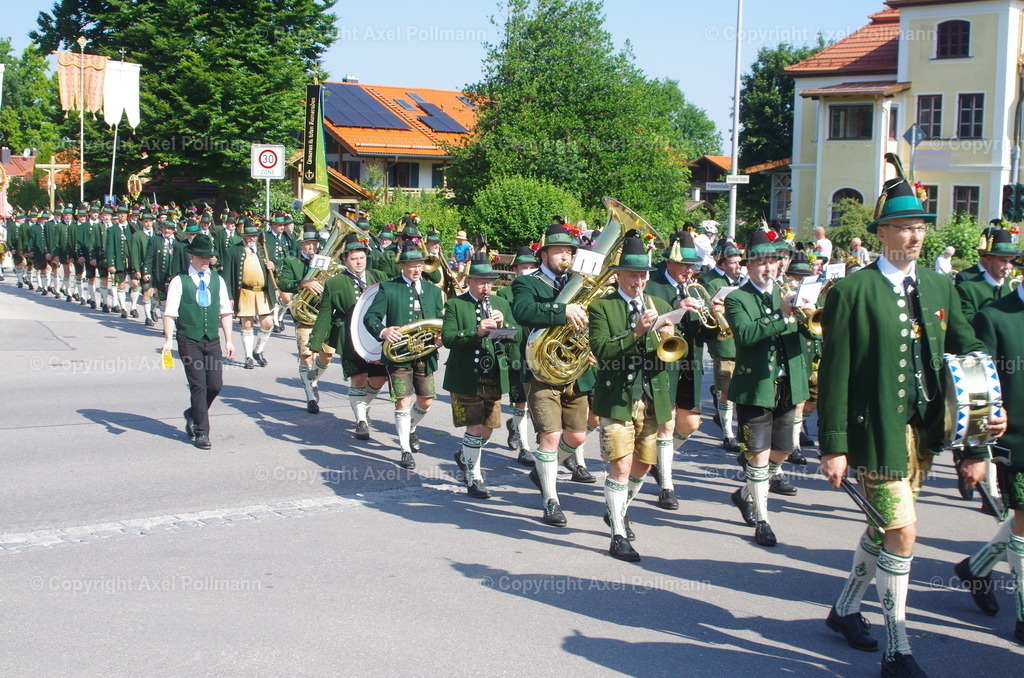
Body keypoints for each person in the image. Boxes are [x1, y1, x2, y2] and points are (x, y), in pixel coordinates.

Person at [817, 174, 1006, 677]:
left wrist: (987, 408)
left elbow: (969, 348)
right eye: (903, 227)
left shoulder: (942, 284)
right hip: (874, 433)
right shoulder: (852, 289)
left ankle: (843, 610)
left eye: (920, 227)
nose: (915, 236)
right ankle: (897, 649)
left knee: (884, 531)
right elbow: (833, 373)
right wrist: (832, 446)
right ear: (881, 233)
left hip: (923, 433)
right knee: (903, 534)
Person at [589, 236, 677, 561]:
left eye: (642, 276)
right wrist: (636, 333)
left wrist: (669, 335)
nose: (638, 281)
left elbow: (671, 353)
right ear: (618, 275)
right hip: (617, 395)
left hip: (652, 395)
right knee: (621, 465)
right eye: (631, 274)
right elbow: (601, 350)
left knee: (644, 463)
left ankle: (618, 508)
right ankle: (617, 535)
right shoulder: (602, 306)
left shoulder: (660, 306)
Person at [724, 230, 809, 547]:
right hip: (756, 386)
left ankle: (745, 493)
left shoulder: (788, 294)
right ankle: (762, 519)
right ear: (747, 266)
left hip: (789, 386)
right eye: (760, 262)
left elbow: (810, 335)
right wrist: (783, 314)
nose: (768, 267)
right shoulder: (737, 298)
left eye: (772, 260)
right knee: (757, 457)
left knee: (783, 450)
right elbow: (745, 335)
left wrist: (804, 315)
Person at [511, 222, 595, 527]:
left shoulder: (580, 282)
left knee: (577, 435)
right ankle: (550, 499)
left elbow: (593, 318)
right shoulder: (527, 283)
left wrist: (594, 346)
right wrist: (561, 312)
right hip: (541, 370)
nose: (565, 256)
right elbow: (523, 312)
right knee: (550, 435)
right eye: (559, 251)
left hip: (575, 369)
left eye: (569, 251)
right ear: (544, 254)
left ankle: (541, 469)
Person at [955, 282, 1024, 645]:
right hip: (1017, 441)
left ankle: (976, 568)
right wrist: (978, 450)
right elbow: (978, 389)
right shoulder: (993, 316)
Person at [643, 230, 714, 510]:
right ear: (670, 263)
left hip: (691, 363)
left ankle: (659, 460)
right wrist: (679, 307)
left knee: (690, 424)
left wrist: (716, 316)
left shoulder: (696, 289)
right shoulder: (654, 287)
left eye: (692, 265)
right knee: (667, 423)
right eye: (685, 265)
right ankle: (667, 486)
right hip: (664, 363)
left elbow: (709, 332)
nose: (689, 270)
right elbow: (648, 322)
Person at [443, 253, 520, 499]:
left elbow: (515, 337)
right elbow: (448, 339)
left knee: (487, 429)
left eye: (489, 282)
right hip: (465, 375)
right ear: (469, 281)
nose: (485, 287)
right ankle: (475, 477)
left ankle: (465, 456)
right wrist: (475, 331)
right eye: (480, 281)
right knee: (474, 427)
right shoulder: (455, 304)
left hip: (492, 375)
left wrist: (504, 325)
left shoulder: (501, 304)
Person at [363, 241, 444, 470]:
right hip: (399, 355)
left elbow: (440, 321)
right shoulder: (388, 288)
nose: (416, 269)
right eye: (411, 265)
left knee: (426, 400)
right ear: (402, 266)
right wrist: (384, 330)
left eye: (419, 265)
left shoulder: (433, 291)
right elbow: (370, 317)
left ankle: (410, 428)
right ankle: (404, 449)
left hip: (426, 353)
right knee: (402, 400)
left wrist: (441, 338)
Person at [308, 233, 387, 440]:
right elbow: (325, 313)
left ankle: (363, 405)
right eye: (354, 258)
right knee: (358, 377)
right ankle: (360, 420)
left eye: (361, 257)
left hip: (375, 336)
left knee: (378, 379)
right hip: (349, 336)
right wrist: (316, 342)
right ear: (345, 260)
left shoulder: (378, 278)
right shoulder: (335, 283)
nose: (359, 262)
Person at [161, 234, 235, 450]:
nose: (206, 261)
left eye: (209, 258)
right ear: (192, 256)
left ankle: (193, 413)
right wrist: (168, 340)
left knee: (215, 385)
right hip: (188, 339)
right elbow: (170, 313)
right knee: (198, 386)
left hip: (211, 339)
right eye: (202, 257)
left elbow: (226, 311)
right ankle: (201, 432)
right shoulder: (179, 280)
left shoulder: (217, 280)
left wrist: (229, 340)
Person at [498, 246, 540, 467]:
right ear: (515, 270)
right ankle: (525, 448)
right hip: (516, 355)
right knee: (520, 402)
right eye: (524, 267)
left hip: (539, 355)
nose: (528, 271)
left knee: (537, 403)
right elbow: (500, 330)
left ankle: (514, 426)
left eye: (532, 267)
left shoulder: (540, 291)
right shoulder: (504, 295)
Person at [700, 239, 743, 451]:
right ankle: (728, 433)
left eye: (739, 262)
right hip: (724, 343)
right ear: (722, 264)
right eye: (733, 263)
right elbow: (708, 313)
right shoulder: (711, 282)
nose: (738, 266)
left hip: (744, 340)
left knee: (739, 388)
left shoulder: (743, 280)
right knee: (726, 389)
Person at [277, 227, 325, 413]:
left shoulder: (324, 261)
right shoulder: (291, 261)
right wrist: (302, 283)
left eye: (314, 243)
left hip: (323, 313)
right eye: (308, 244)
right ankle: (310, 396)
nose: (312, 247)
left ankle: (313, 380)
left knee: (325, 356)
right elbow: (284, 284)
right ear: (302, 245)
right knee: (306, 356)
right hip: (304, 314)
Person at [222, 221, 277, 369]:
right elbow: (226, 275)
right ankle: (248, 357)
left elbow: (278, 265)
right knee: (247, 324)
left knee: (268, 323)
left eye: (254, 235)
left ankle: (258, 351)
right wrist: (229, 296)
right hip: (245, 291)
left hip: (263, 292)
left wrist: (273, 266)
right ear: (244, 236)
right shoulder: (233, 251)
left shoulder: (264, 249)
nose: (252, 238)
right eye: (249, 235)